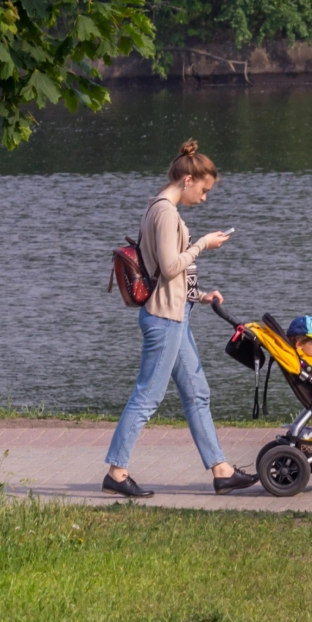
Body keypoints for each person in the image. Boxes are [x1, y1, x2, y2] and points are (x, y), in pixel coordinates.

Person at [103, 141, 259, 498]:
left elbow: (164, 271)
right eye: (203, 191)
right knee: (147, 396)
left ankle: (221, 471)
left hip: (177, 315)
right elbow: (171, 266)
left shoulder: (159, 208)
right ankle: (117, 471)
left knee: (198, 394)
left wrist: (199, 296)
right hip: (164, 321)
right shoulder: (165, 212)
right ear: (188, 179)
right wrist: (203, 244)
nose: (204, 198)